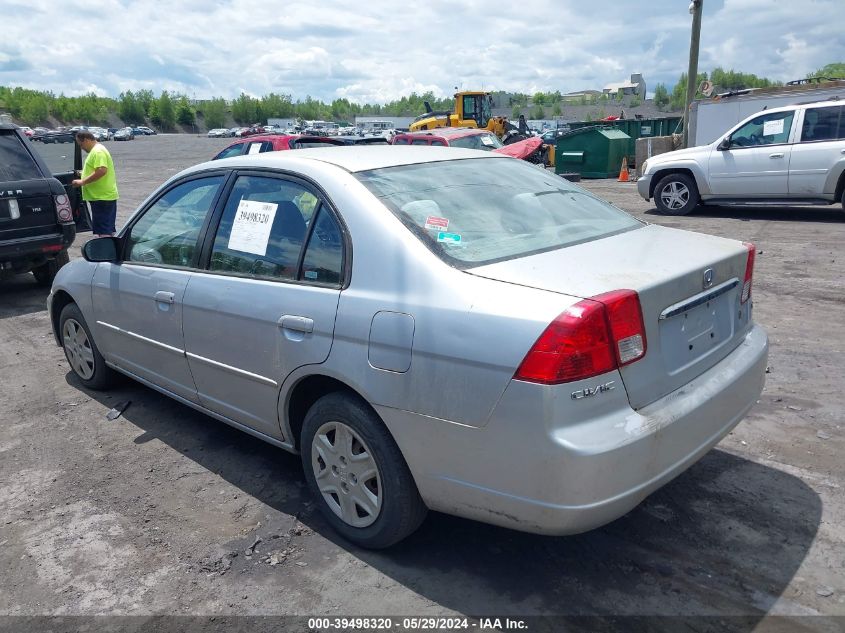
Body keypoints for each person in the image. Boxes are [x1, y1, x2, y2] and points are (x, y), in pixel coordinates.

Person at [72, 131, 119, 237]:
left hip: (102, 198)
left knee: (104, 232)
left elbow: (102, 170)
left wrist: (82, 181)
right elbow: (96, 169)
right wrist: (82, 173)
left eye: (81, 144)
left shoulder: (98, 151)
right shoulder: (97, 150)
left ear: (87, 140)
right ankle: (111, 250)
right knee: (107, 229)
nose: (82, 148)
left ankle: (105, 252)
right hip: (102, 198)